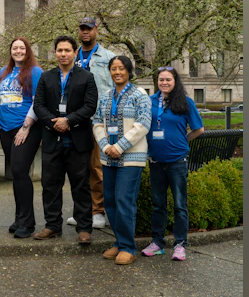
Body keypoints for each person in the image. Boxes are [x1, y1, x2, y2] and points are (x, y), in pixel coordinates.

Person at [32, 36, 99, 245]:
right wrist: (55, 124)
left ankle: (84, 228)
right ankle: (52, 225)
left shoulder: (86, 77)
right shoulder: (46, 77)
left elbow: (90, 106)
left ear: (74, 52)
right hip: (53, 139)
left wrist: (68, 121)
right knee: (50, 185)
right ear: (55, 53)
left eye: (67, 50)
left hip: (77, 140)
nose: (63, 54)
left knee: (81, 186)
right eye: (60, 50)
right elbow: (38, 105)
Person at [93, 56, 152, 265]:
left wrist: (119, 147)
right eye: (113, 69)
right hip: (108, 158)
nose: (117, 72)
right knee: (110, 202)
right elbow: (97, 122)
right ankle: (119, 243)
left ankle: (128, 247)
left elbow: (143, 123)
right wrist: (105, 146)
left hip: (131, 158)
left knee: (124, 201)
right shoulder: (106, 96)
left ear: (128, 71)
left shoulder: (140, 95)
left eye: (121, 68)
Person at [140, 67, 204, 262]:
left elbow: (199, 129)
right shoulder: (149, 102)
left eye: (168, 79)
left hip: (177, 162)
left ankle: (179, 245)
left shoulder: (185, 102)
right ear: (157, 82)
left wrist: (182, 141)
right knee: (158, 205)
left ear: (175, 81)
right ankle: (157, 243)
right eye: (161, 80)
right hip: (156, 162)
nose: (164, 83)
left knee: (179, 205)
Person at [66, 16, 116, 229]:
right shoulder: (71, 56)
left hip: (98, 120)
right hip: (75, 119)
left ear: (96, 30)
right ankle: (81, 210)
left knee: (97, 168)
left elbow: (117, 85)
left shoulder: (108, 57)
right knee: (78, 169)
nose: (85, 32)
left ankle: (98, 211)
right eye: (82, 28)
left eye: (89, 28)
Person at [0, 37, 44, 239]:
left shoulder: (35, 72)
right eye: (14, 48)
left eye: (21, 48)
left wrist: (26, 127)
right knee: (16, 174)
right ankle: (19, 218)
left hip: (26, 128)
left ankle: (28, 222)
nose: (18, 51)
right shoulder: (3, 72)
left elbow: (38, 101)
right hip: (5, 128)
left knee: (19, 171)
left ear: (28, 50)